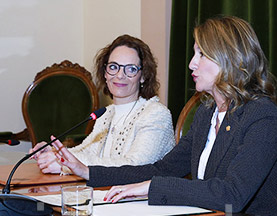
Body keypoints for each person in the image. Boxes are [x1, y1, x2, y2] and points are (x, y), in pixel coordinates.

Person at [52, 16, 277, 216]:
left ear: (229, 59)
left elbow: (232, 194)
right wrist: (88, 172)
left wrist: (151, 187)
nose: (191, 64)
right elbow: (163, 169)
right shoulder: (207, 113)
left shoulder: (262, 115)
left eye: (201, 55)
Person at [33, 35, 174, 173]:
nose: (119, 75)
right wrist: (55, 152)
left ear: (143, 76)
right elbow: (86, 151)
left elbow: (134, 166)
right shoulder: (106, 114)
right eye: (113, 67)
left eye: (130, 69)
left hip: (139, 196)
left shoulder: (156, 114)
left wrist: (65, 163)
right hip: (106, 192)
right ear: (105, 73)